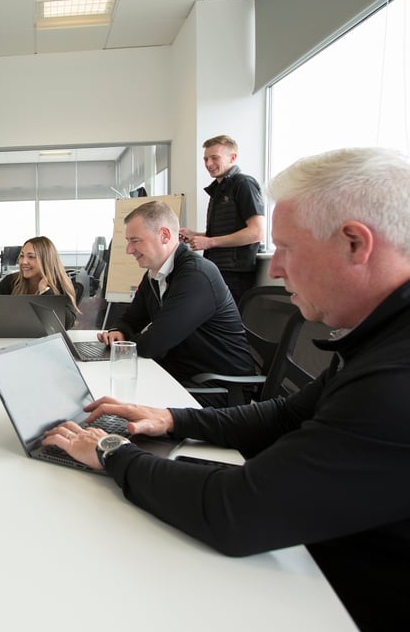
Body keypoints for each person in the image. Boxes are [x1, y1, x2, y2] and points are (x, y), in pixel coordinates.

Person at [45, 147, 410, 631]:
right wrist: (173, 418)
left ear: (354, 244)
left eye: (287, 248)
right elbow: (283, 415)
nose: (275, 269)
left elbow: (238, 510)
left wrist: (112, 451)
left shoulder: (393, 380)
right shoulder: (377, 340)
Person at [98, 200, 253, 407]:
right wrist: (119, 331)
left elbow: (155, 344)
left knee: (119, 403)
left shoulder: (196, 275)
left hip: (218, 387)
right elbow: (131, 318)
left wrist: (124, 344)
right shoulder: (154, 275)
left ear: (164, 235)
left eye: (135, 241)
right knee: (110, 392)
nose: (129, 250)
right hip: (183, 374)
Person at [179, 135, 265, 306]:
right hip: (218, 269)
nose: (208, 164)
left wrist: (210, 242)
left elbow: (257, 232)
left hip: (236, 273)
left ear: (232, 158)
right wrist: (196, 235)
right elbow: (226, 233)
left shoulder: (244, 184)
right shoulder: (219, 189)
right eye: (205, 159)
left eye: (214, 158)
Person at [0, 236, 80, 330]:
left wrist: (46, 292)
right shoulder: (10, 282)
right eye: (22, 256)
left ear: (46, 260)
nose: (23, 261)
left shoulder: (60, 284)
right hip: (14, 344)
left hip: (47, 345)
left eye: (31, 257)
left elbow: (67, 322)